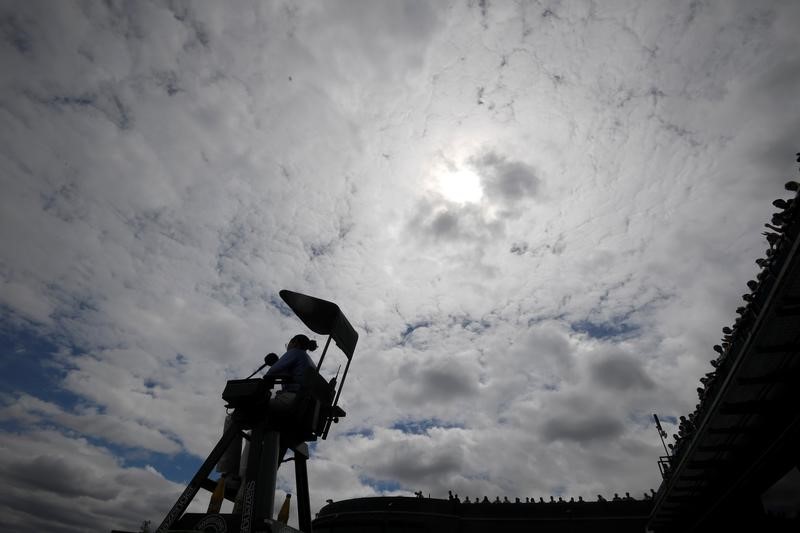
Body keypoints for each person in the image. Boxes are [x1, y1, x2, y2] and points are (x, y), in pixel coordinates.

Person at [265, 334, 318, 420]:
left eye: (289, 343)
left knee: (249, 406)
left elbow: (270, 373)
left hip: (292, 400)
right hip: (307, 406)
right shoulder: (310, 363)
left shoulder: (295, 352)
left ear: (295, 343)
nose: (288, 347)